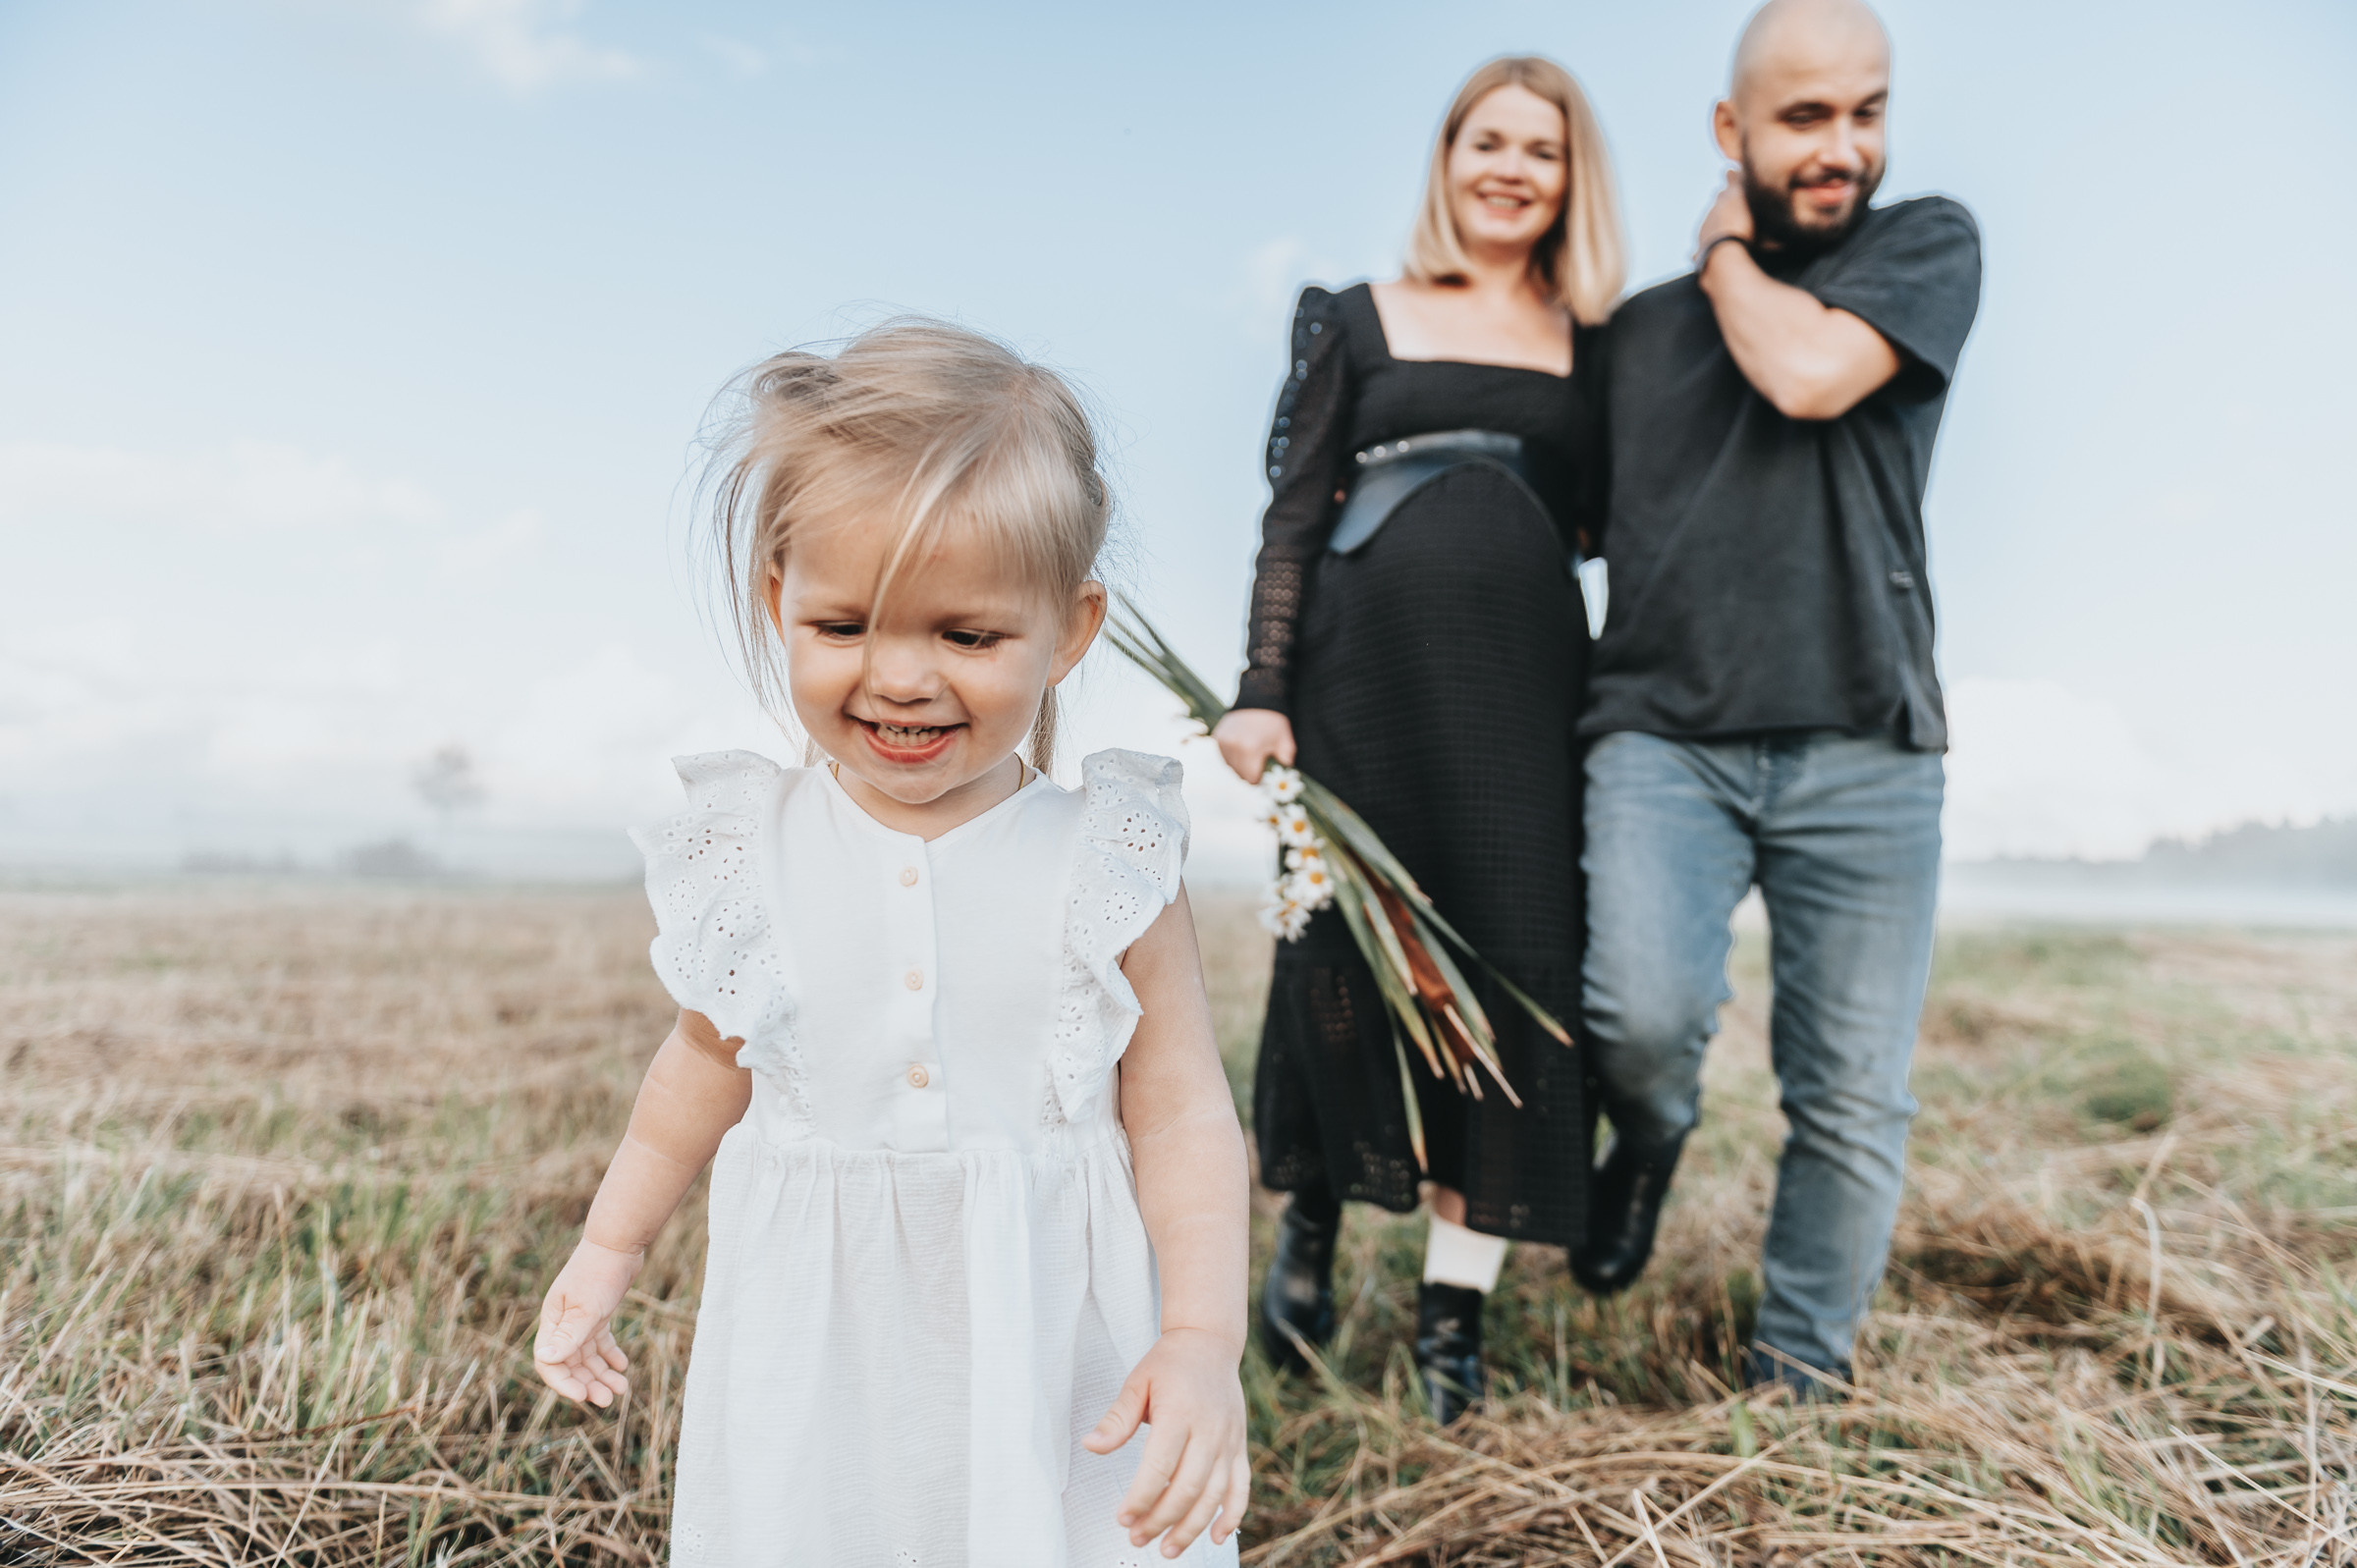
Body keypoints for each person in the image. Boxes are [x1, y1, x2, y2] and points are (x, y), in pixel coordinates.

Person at [528, 320, 1252, 1565]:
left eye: (966, 636)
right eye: (846, 625)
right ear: (779, 603)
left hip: (1052, 1336)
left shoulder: (1109, 858)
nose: (901, 677)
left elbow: (1182, 1114)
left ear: (1069, 629)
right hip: (819, 1340)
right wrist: (607, 1247)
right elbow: (698, 1071)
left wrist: (1198, 1338)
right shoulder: (750, 848)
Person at [1573, 0, 1982, 1397]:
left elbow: (1809, 375)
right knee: (1633, 1021)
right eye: (1805, 117)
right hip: (1660, 744)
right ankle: (1655, 1129)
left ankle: (1795, 1387)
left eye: (1865, 110)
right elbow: (1544, 523)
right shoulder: (1633, 339)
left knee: (1852, 1098)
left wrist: (1725, 248)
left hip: (1869, 744)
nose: (1843, 146)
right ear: (1728, 128)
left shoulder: (1924, 246)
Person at [1212, 56, 1623, 1423]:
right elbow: (1293, 511)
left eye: (1542, 150)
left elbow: (1608, 521)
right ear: (1449, 159)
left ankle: (1455, 1322)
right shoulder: (1359, 316)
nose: (1512, 167)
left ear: (1574, 178)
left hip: (1521, 702)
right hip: (1357, 684)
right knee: (1338, 963)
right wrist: (1262, 684)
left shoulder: (1596, 341)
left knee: (1511, 977)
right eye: (1487, 141)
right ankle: (1313, 1227)